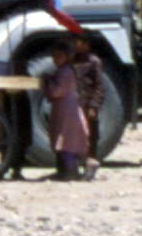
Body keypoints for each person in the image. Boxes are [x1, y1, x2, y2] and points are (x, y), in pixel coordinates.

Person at [44, 33, 103, 181]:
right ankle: (67, 171)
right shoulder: (69, 65)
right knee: (71, 140)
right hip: (73, 106)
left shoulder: (91, 62)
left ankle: (82, 168)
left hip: (75, 108)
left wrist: (94, 105)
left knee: (76, 140)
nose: (76, 45)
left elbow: (99, 85)